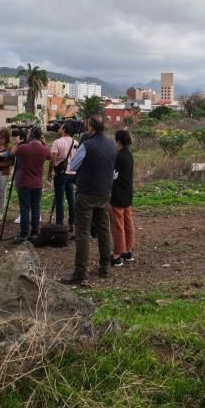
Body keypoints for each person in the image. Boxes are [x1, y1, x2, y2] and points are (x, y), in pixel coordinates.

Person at [60, 115, 116, 285]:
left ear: (91, 127)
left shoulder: (87, 145)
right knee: (103, 229)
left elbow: (73, 166)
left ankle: (80, 271)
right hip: (104, 191)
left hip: (86, 193)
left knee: (83, 232)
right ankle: (105, 265)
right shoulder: (111, 143)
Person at [11, 126, 49, 243]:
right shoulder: (44, 149)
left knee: (25, 209)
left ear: (31, 135)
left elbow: (12, 153)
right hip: (37, 183)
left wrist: (17, 142)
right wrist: (44, 143)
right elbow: (50, 156)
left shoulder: (23, 148)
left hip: (24, 182)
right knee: (36, 208)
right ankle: (34, 233)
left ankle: (23, 235)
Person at [109, 128, 136, 266]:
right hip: (127, 193)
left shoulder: (118, 156)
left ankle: (117, 255)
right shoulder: (129, 155)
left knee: (117, 225)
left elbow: (112, 175)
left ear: (118, 141)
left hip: (117, 195)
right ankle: (128, 251)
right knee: (128, 223)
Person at [49, 126, 77, 230]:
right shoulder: (76, 142)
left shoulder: (57, 142)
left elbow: (53, 159)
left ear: (64, 130)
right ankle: (72, 222)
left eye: (61, 127)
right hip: (72, 173)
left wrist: (50, 172)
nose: (58, 129)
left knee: (59, 199)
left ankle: (60, 224)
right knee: (71, 199)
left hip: (61, 174)